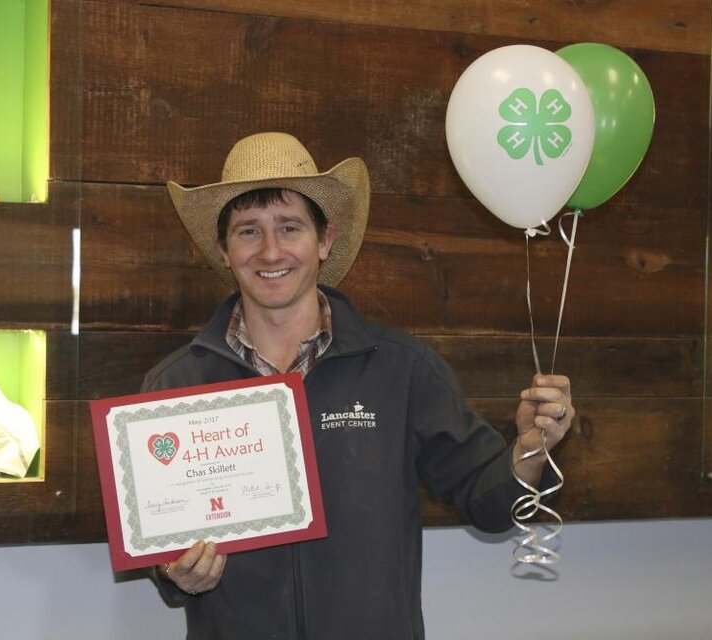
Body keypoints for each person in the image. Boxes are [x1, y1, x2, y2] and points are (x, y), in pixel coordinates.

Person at [142, 131, 573, 639]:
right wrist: (175, 572)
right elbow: (161, 549)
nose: (271, 250)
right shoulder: (175, 384)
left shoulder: (402, 369)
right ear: (224, 248)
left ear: (324, 240)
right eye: (248, 231)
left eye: (290, 227)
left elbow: (492, 505)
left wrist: (530, 450)